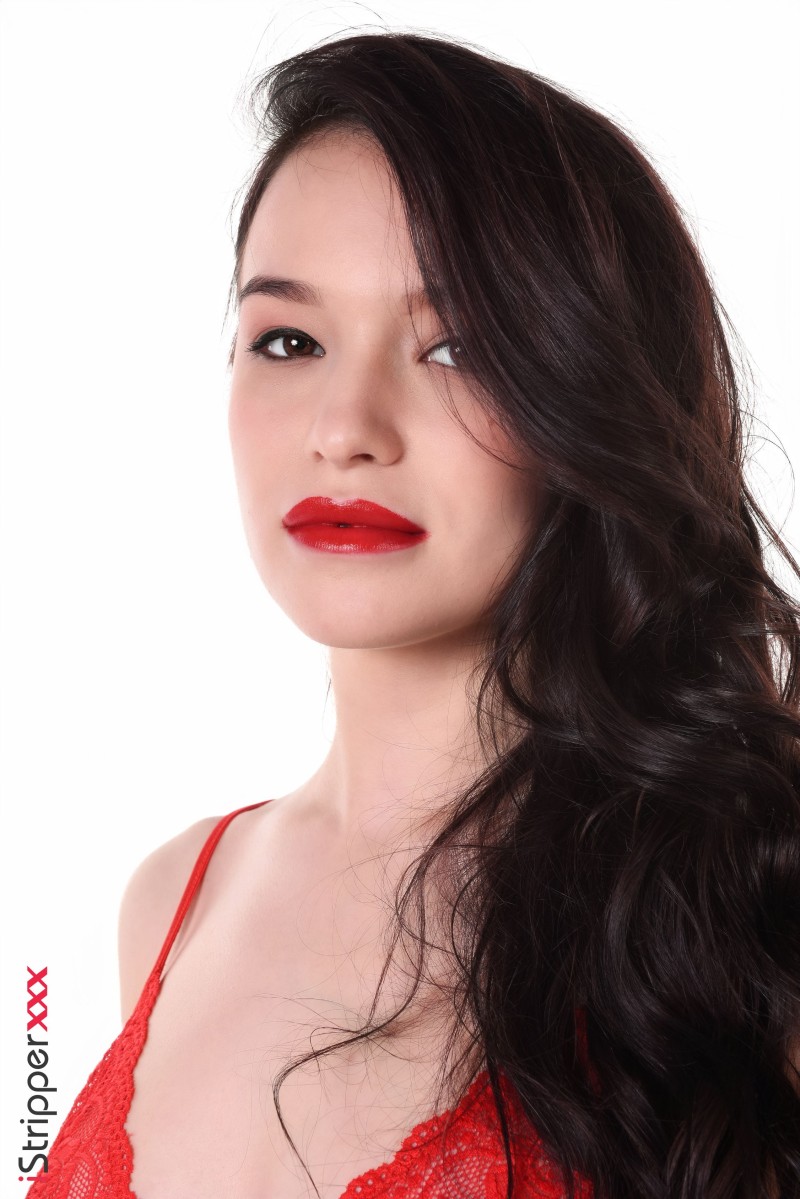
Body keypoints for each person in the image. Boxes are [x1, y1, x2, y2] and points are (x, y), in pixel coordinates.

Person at [26, 29, 800, 1199]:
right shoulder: (172, 902)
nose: (344, 425)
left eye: (455, 346)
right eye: (289, 339)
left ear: (585, 393)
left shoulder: (737, 897)